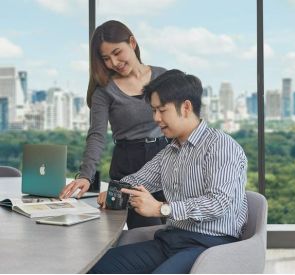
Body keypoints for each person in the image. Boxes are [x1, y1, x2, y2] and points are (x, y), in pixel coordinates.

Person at [89, 69, 248, 274]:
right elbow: (138, 179)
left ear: (186, 107)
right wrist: (113, 191)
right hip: (171, 241)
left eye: (161, 110)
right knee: (98, 266)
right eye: (153, 110)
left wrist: (161, 209)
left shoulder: (220, 145)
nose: (155, 118)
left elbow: (218, 202)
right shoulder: (170, 151)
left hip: (211, 244)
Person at [59, 20, 167, 229]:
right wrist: (86, 176)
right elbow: (97, 135)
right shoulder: (104, 91)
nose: (114, 62)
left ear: (132, 43)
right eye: (106, 58)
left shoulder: (163, 76)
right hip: (128, 162)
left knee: (178, 225)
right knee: (148, 233)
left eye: (118, 52)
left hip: (166, 156)